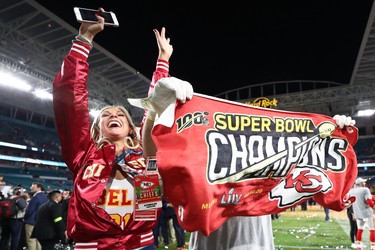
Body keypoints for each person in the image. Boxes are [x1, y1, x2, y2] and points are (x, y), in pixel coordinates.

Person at [52, 8, 191, 249]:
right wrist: (84, 40)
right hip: (93, 245)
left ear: (131, 129)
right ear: (97, 129)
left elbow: (154, 105)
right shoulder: (83, 154)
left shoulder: (144, 151)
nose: (113, 115)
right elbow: (70, 101)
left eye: (120, 115)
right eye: (106, 115)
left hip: (142, 243)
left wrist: (163, 60)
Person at [348, 177, 375, 250]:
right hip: (367, 212)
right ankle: (373, 247)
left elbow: (350, 203)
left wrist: (353, 213)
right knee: (372, 229)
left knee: (360, 229)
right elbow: (369, 201)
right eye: (363, 182)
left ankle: (358, 246)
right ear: (360, 183)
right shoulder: (365, 189)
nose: (364, 183)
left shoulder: (351, 191)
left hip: (358, 213)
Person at [23, 182, 48, 250]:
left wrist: (25, 218)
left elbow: (30, 211)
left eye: (33, 187)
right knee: (38, 241)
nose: (31, 188)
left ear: (39, 188)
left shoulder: (35, 197)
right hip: (41, 223)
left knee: (31, 241)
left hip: (32, 222)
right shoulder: (45, 197)